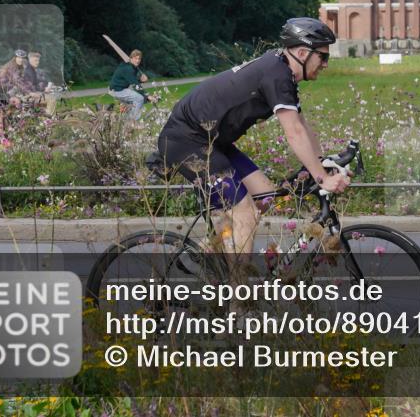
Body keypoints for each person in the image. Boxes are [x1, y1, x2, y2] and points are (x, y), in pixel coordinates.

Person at [157, 18, 350, 262]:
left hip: (212, 142)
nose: (325, 64)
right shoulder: (277, 75)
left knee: (265, 197)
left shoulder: (282, 71)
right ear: (302, 52)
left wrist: (322, 163)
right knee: (245, 214)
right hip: (187, 141)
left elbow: (302, 125)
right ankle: (239, 298)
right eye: (323, 57)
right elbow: (294, 133)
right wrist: (322, 178)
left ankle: (215, 251)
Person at [0, 49, 28, 147]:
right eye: (19, 57)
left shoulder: (20, 69)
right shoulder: (10, 68)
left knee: (16, 103)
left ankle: (7, 127)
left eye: (23, 58)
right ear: (15, 58)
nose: (21, 60)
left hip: (1, 92)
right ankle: (2, 140)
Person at [108, 49, 149, 120]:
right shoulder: (128, 69)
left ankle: (122, 119)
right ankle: (132, 121)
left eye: (139, 59)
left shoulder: (132, 67)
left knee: (132, 104)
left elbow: (133, 81)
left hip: (120, 89)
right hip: (118, 90)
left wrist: (142, 80)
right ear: (131, 58)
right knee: (140, 98)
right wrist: (147, 95)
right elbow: (135, 85)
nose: (138, 61)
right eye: (135, 58)